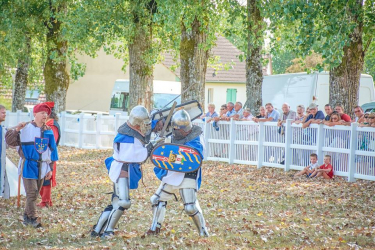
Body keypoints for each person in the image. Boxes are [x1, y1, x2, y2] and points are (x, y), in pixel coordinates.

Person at [91, 105, 154, 238]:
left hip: (122, 169)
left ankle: (97, 230)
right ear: (137, 123)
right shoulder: (126, 137)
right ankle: (107, 231)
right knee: (123, 202)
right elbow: (136, 156)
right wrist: (150, 147)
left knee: (116, 202)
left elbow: (139, 145)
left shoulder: (131, 131)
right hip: (122, 171)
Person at [146, 110, 209, 237]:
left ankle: (203, 232)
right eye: (178, 129)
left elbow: (196, 156)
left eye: (182, 129)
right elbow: (154, 126)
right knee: (156, 200)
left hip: (188, 173)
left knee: (190, 207)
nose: (181, 132)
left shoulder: (196, 136)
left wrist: (175, 157)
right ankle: (155, 228)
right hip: (173, 172)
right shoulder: (173, 133)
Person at [5, 103, 58, 228]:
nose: (45, 115)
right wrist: (17, 129)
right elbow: (9, 140)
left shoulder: (48, 131)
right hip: (28, 165)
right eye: (42, 113)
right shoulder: (26, 128)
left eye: (46, 113)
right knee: (32, 193)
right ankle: (33, 218)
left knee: (34, 193)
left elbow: (52, 151)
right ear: (35, 114)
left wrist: (50, 168)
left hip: (42, 167)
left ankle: (27, 217)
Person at [38, 102, 61, 208]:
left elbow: (52, 141)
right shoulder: (47, 124)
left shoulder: (52, 125)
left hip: (49, 155)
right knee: (41, 176)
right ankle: (46, 201)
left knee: (46, 177)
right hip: (42, 154)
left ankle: (45, 201)